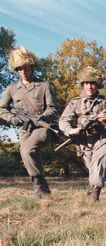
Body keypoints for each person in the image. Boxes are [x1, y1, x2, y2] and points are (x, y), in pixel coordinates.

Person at [0, 47, 57, 198]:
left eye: (26, 68)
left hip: (41, 127)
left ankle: (37, 186)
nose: (23, 71)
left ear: (31, 67)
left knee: (28, 150)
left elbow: (52, 109)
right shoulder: (12, 89)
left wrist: (43, 117)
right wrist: (12, 119)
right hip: (24, 128)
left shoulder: (44, 86)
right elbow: (2, 109)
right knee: (26, 155)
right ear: (16, 71)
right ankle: (43, 185)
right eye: (19, 69)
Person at [59, 66, 106, 202]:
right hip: (83, 142)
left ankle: (95, 196)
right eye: (86, 83)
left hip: (102, 139)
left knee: (97, 165)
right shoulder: (75, 102)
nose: (89, 86)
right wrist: (70, 130)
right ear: (83, 84)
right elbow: (63, 120)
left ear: (97, 85)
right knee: (94, 169)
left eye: (92, 83)